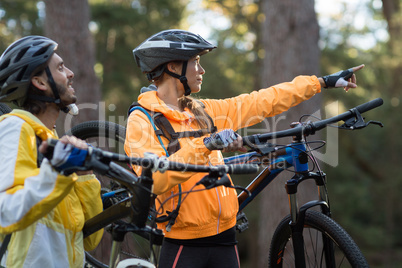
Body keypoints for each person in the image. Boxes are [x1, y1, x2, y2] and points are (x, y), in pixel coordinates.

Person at [124, 29, 364, 268]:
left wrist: (320, 82)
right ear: (174, 67)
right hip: (184, 244)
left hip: (226, 238)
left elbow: (261, 101)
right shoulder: (142, 120)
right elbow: (154, 179)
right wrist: (207, 143)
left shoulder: (201, 111)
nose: (201, 70)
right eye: (195, 62)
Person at [0, 36, 103, 267]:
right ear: (40, 82)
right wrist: (57, 172)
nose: (70, 73)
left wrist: (85, 177)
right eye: (60, 67)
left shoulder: (55, 143)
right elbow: (5, 212)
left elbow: (91, 240)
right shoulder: (15, 127)